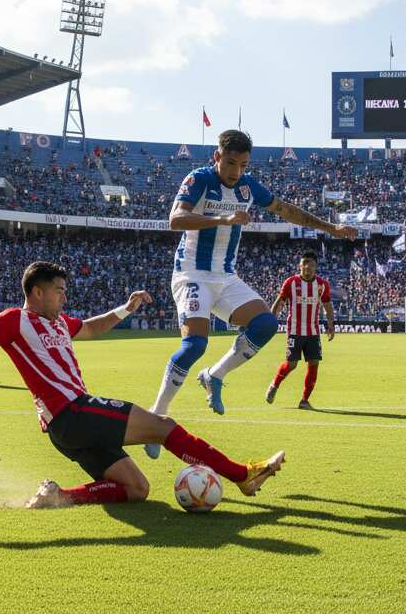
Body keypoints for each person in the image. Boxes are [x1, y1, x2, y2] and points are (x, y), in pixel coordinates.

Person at [0, 261, 285, 508]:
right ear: (36, 292)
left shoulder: (58, 321)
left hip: (69, 427)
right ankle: (240, 475)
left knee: (137, 489)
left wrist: (125, 309)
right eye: (58, 291)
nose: (63, 297)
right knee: (162, 428)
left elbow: (91, 328)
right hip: (72, 411)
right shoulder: (12, 321)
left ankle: (60, 496)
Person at [144, 129, 356, 457]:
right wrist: (224, 218)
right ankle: (155, 421)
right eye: (230, 162)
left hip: (226, 278)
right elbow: (176, 219)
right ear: (217, 157)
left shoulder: (247, 187)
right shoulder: (198, 179)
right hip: (192, 275)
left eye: (242, 164)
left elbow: (287, 210)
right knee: (194, 345)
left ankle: (214, 375)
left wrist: (332, 228)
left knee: (265, 324)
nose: (235, 171)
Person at [265, 250, 334, 409]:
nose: (307, 267)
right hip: (295, 331)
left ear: (316, 267)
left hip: (313, 332)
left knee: (314, 363)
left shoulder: (322, 285)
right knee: (292, 364)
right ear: (300, 265)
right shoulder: (291, 282)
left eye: (311, 264)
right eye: (305, 263)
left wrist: (331, 324)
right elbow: (279, 302)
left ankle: (304, 400)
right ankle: (274, 385)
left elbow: (327, 305)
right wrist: (270, 319)